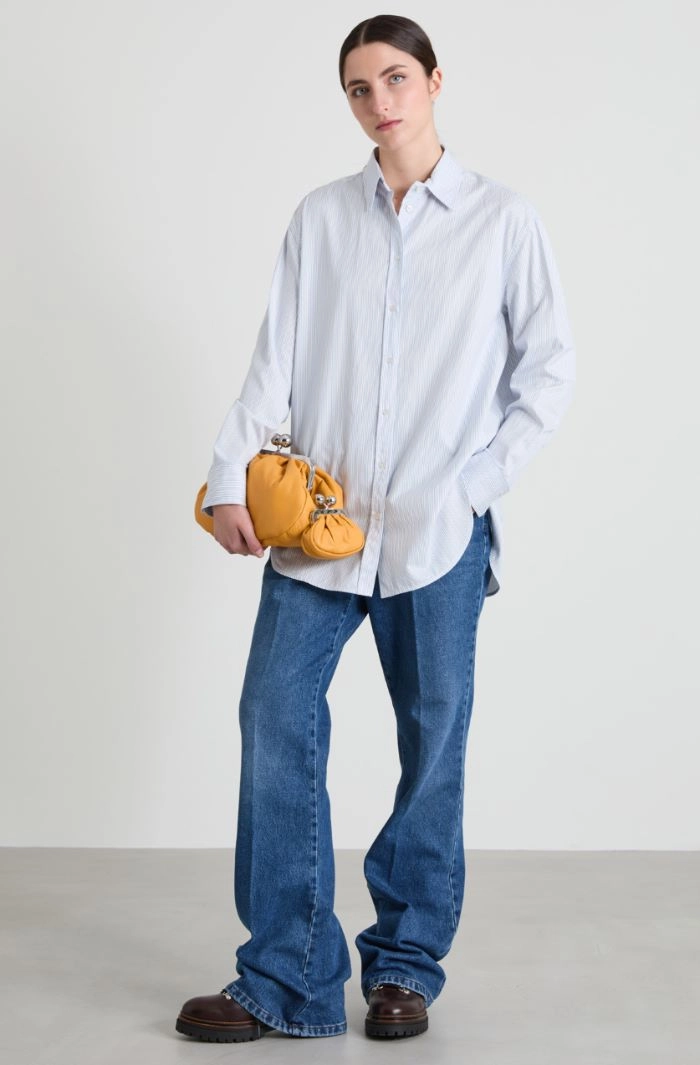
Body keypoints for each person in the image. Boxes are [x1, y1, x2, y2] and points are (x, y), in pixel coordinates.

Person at [176, 13, 575, 1044]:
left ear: (435, 81)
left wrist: (472, 487)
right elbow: (274, 359)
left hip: (438, 538)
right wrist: (229, 478)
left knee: (431, 746)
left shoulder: (502, 221)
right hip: (320, 528)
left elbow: (547, 373)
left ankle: (404, 967)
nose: (378, 101)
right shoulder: (319, 219)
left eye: (396, 78)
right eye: (358, 87)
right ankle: (287, 977)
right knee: (274, 717)